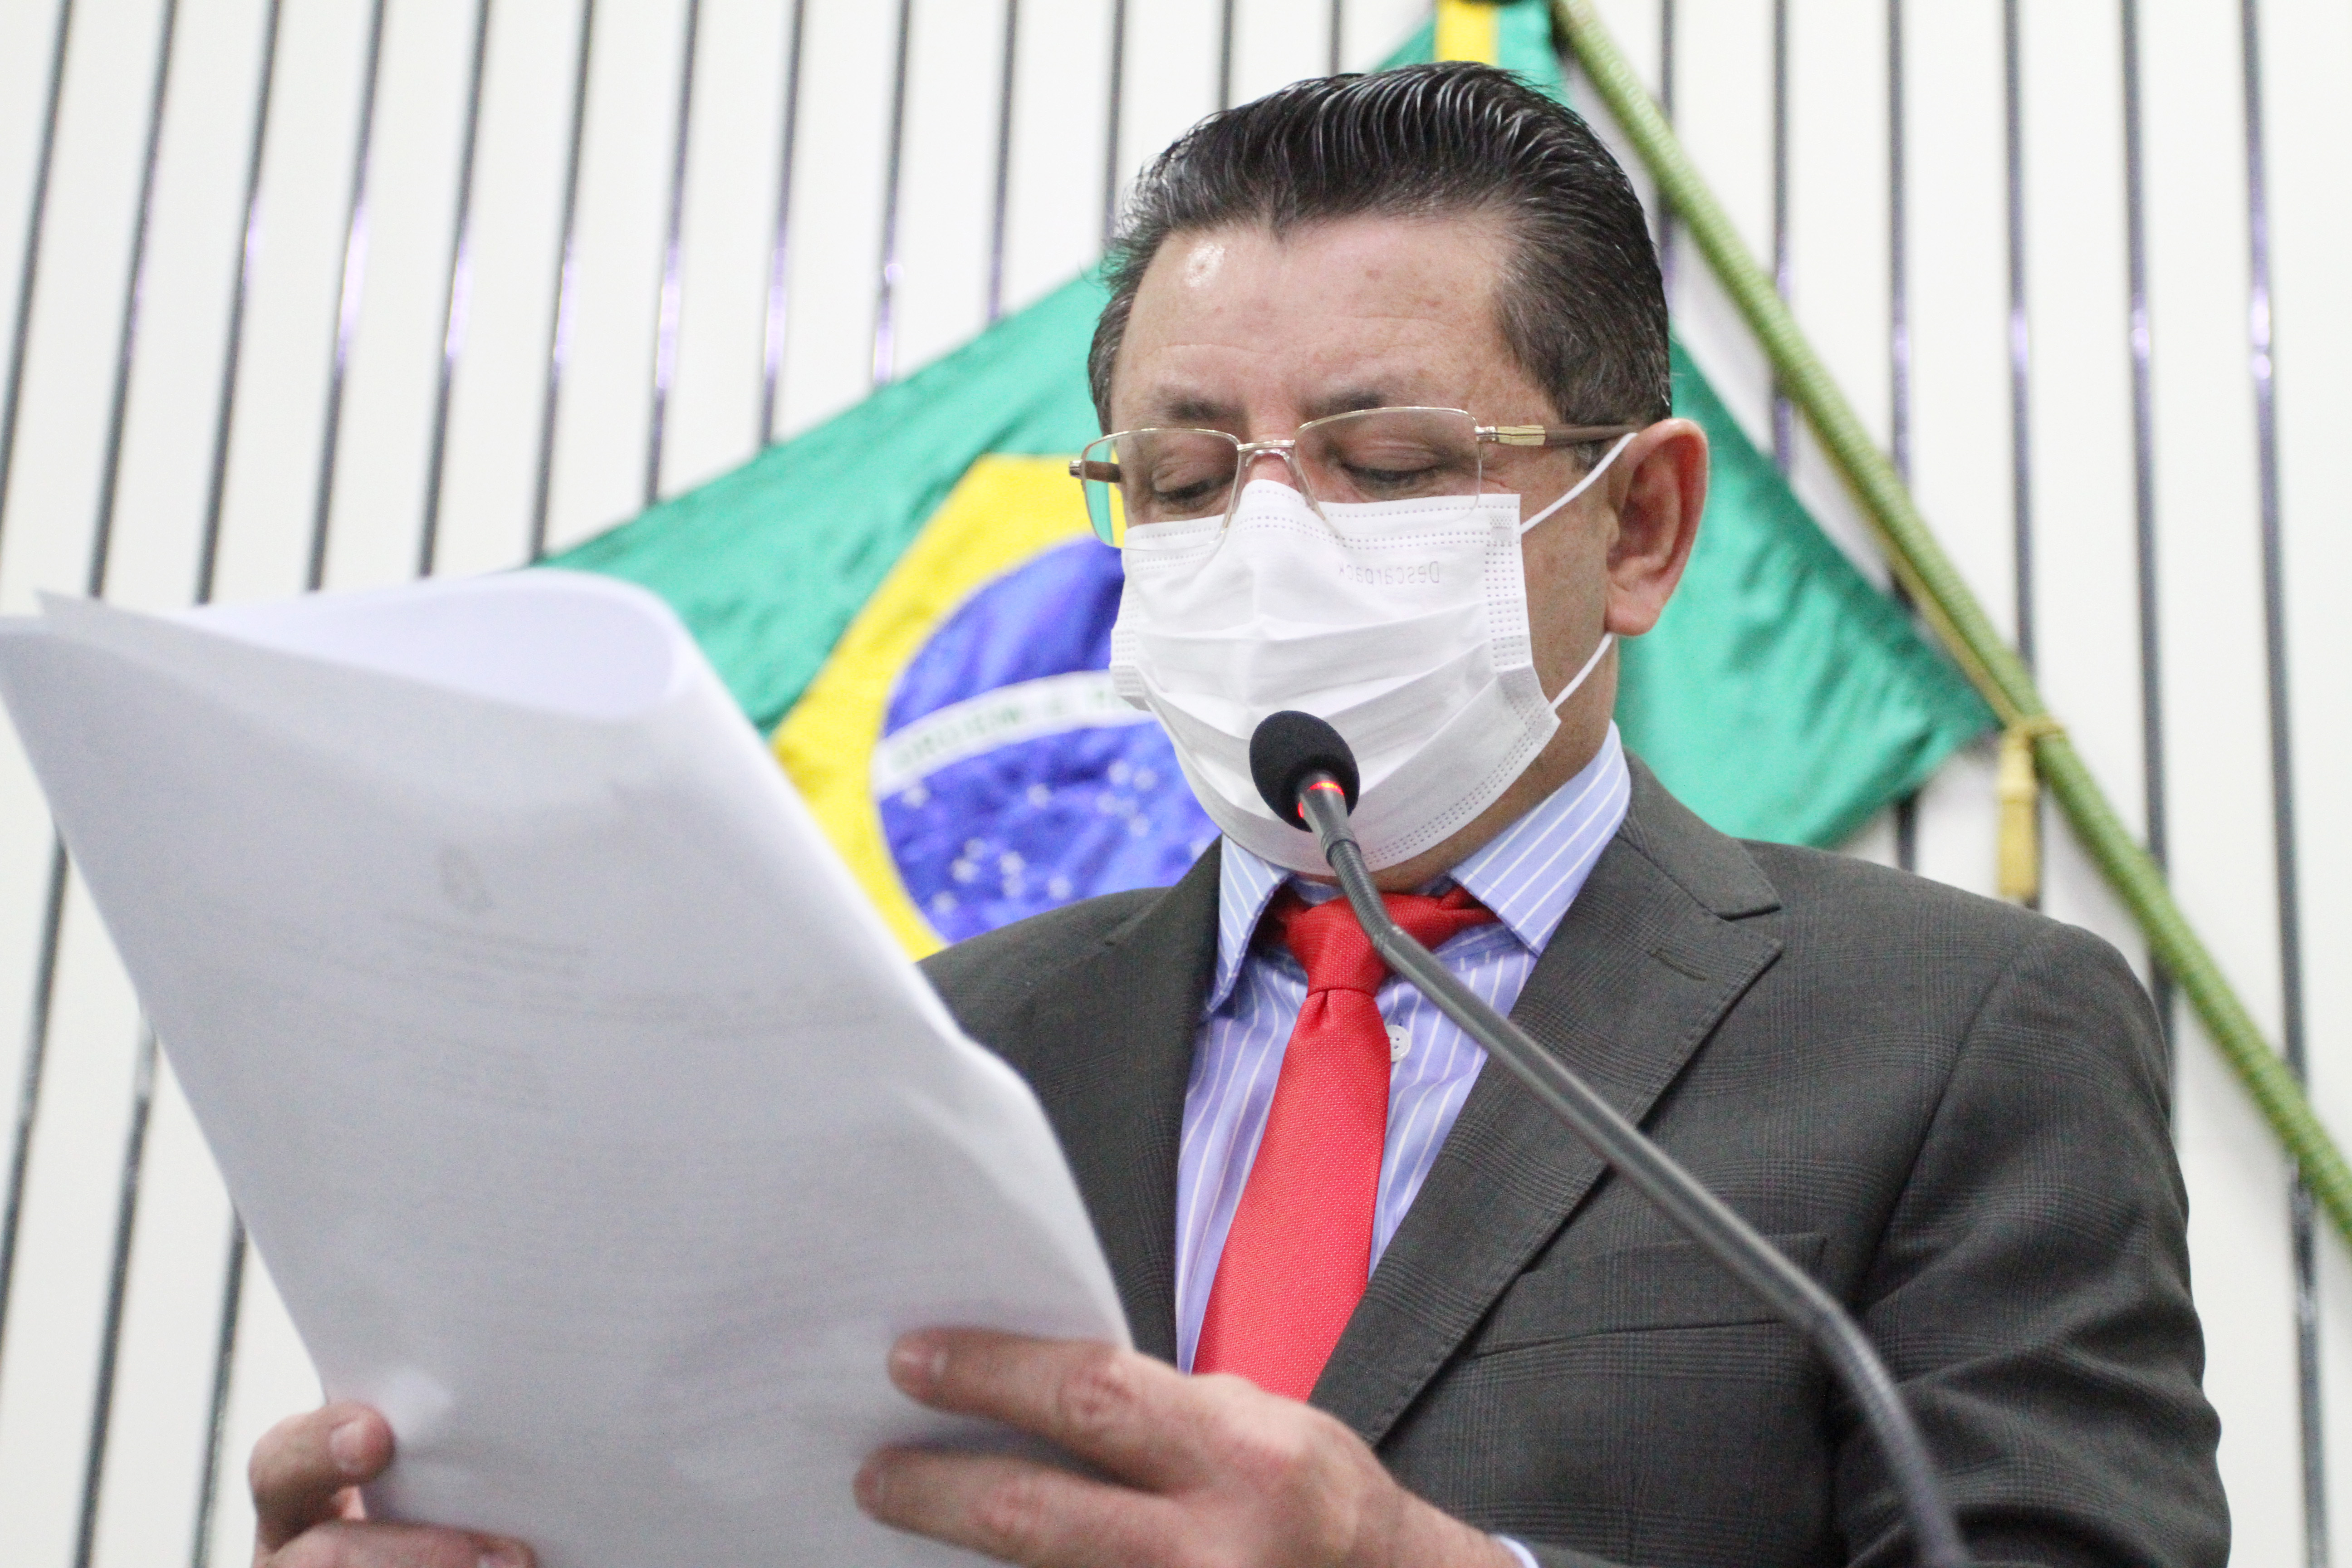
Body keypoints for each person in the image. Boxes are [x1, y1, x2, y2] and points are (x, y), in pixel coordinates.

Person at [248, 63, 2226, 1568]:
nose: (1268, 545)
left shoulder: (1961, 1031)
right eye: (1187, 483)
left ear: (1638, 524)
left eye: (1389, 461)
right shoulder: (934, 1046)